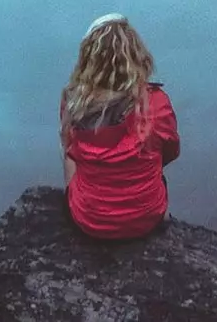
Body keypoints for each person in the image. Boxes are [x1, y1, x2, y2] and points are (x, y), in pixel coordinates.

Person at [59, 13, 180, 240]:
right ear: (136, 55)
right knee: (151, 150)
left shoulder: (73, 101)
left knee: (68, 149)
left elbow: (71, 151)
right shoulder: (156, 102)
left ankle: (78, 199)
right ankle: (154, 213)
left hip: (89, 222)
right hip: (146, 221)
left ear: (88, 59)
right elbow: (171, 152)